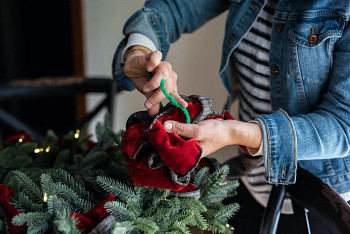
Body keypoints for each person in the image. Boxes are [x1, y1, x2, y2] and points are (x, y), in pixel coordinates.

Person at [112, 0, 350, 233]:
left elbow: (343, 124)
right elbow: (175, 7)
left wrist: (236, 133)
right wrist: (140, 50)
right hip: (248, 180)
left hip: (322, 202)